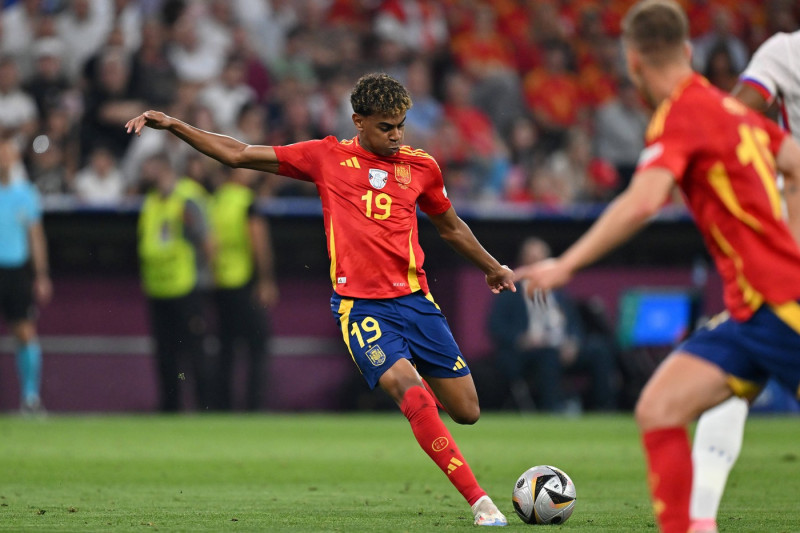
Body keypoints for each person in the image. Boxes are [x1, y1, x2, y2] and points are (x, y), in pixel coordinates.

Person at [126, 72, 516, 526]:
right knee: (410, 390)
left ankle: (422, 407)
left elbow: (450, 227)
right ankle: (480, 502)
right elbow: (236, 154)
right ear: (359, 121)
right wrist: (175, 125)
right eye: (386, 126)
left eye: (401, 125)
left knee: (467, 411)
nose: (397, 135)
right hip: (361, 307)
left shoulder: (422, 167)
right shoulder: (326, 157)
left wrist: (492, 265)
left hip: (416, 300)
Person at [514, 2, 800, 532]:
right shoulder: (731, 109)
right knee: (659, 410)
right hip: (753, 312)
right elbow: (795, 165)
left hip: (784, 306)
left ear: (632, 61)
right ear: (688, 51)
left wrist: (566, 264)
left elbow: (643, 201)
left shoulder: (679, 115)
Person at [689, 27, 800, 533]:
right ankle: (701, 517)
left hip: (788, 240)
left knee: (736, 367)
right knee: (737, 362)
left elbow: (737, 113)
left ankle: (701, 516)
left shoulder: (785, 50)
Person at [488, 237, 618, 412]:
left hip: (563, 347)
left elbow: (574, 324)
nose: (536, 264)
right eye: (532, 259)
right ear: (522, 261)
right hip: (529, 352)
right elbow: (495, 326)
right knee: (548, 354)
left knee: (599, 349)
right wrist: (521, 339)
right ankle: (552, 409)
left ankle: (603, 408)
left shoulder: (558, 291)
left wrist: (573, 343)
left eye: (541, 259)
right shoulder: (510, 292)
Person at [137, 153, 214, 412]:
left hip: (186, 286)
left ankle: (204, 405)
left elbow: (206, 240)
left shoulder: (186, 198)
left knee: (193, 351)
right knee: (166, 355)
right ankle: (171, 406)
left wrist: (206, 278)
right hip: (158, 289)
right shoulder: (151, 201)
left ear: (165, 169)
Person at [209, 167, 278, 410]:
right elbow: (258, 242)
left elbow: (210, 245)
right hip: (245, 282)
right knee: (257, 346)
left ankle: (222, 406)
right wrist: (266, 280)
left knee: (226, 348)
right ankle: (254, 406)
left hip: (220, 284)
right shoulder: (246, 201)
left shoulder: (215, 201)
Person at [0, 135, 52, 414]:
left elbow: (36, 237)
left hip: (16, 271)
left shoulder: (26, 194)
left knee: (25, 333)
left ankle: (30, 398)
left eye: (8, 153)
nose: (4, 158)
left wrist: (41, 274)